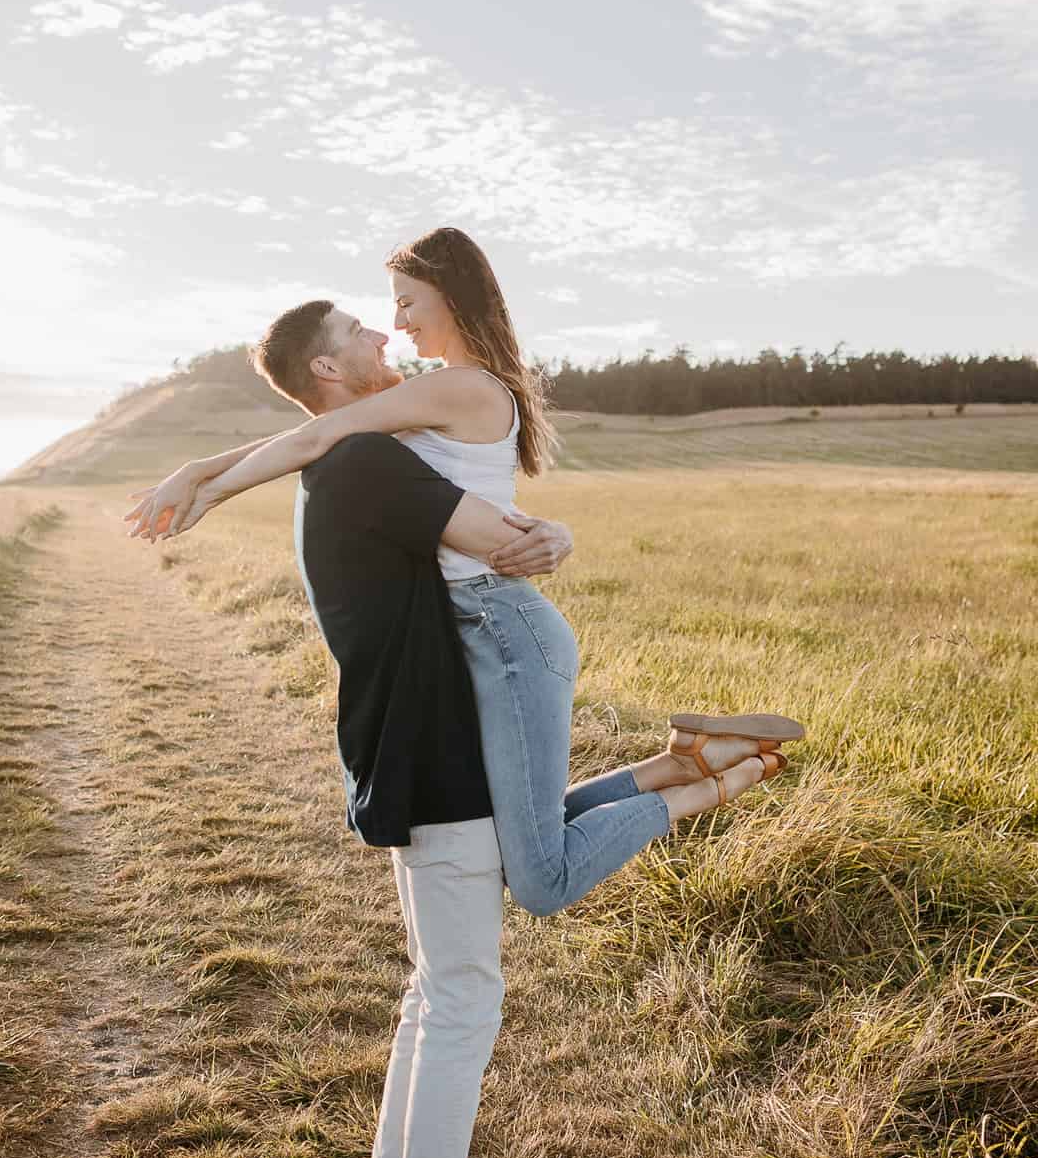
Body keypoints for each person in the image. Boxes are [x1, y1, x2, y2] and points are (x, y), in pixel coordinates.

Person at [127, 229, 802, 919]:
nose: (396, 323)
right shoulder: (437, 391)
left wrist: (211, 490)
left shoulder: (463, 387)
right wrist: (198, 469)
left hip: (505, 628)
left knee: (540, 880)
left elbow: (315, 436)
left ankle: (709, 786)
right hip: (479, 629)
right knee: (517, 838)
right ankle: (685, 760)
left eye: (406, 302)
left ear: (449, 297)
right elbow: (320, 429)